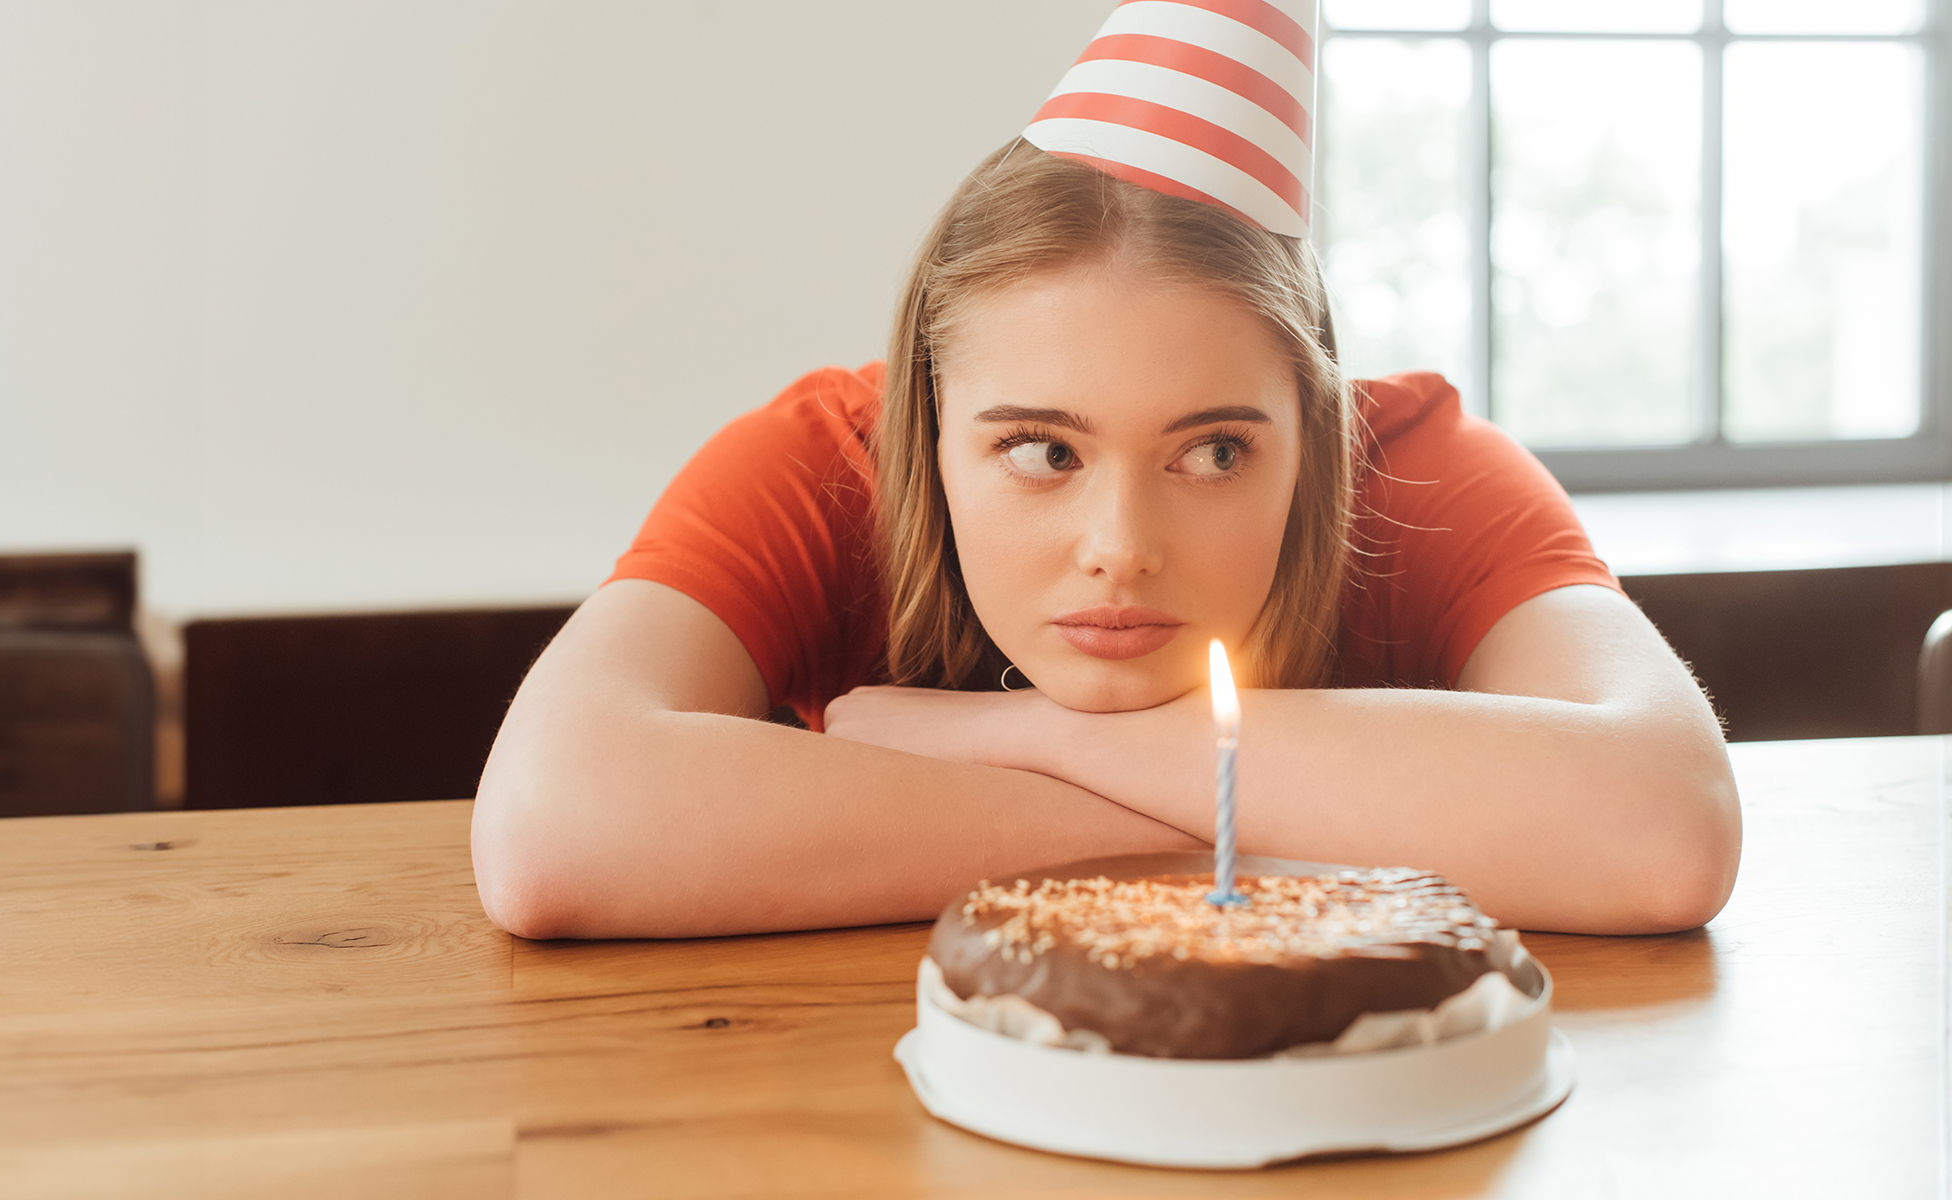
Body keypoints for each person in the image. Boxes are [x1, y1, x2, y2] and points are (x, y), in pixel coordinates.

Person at [472, 5, 1739, 942]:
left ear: (1315, 424)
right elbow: (549, 828)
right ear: (927, 409)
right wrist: (1232, 821)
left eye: (1215, 452)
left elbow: (1665, 830)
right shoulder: (822, 465)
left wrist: (1010, 739)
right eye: (1041, 450)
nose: (1121, 544)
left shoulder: (1419, 473)